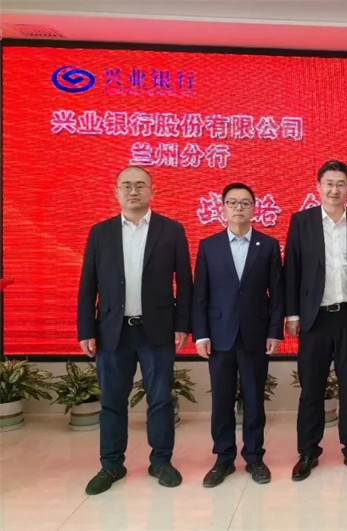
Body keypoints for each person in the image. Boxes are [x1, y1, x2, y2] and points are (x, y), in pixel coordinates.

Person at [77, 166, 192, 495]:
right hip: (112, 331)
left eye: (140, 185)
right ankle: (111, 464)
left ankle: (161, 461)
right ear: (115, 192)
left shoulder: (171, 231)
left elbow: (185, 283)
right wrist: (86, 329)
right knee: (113, 401)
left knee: (160, 400)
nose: (133, 191)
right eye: (126, 185)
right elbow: (88, 285)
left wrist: (182, 325)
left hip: (157, 330)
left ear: (152, 191)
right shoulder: (100, 233)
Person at [284, 160, 347, 481]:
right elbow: (292, 270)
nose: (334, 189)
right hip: (314, 319)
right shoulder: (302, 222)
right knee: (311, 388)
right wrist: (293, 314)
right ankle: (308, 450)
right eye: (329, 183)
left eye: (340, 184)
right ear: (318, 186)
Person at [192, 182, 284, 487]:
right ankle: (223, 458)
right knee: (222, 399)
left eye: (245, 203)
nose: (239, 208)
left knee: (254, 398)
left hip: (256, 334)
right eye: (232, 203)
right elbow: (200, 293)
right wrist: (201, 334)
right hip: (219, 335)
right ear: (222, 208)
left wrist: (275, 331)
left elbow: (277, 293)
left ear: (254, 209)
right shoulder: (209, 246)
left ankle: (255, 456)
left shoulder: (268, 245)